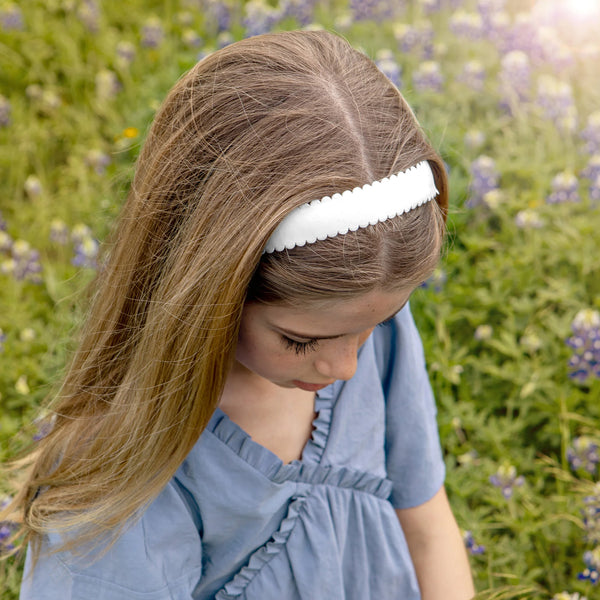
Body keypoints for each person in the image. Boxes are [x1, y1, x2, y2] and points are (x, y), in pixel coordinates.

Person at [4, 30, 474, 599]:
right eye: (300, 341)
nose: (348, 365)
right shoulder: (127, 466)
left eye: (373, 324)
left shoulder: (362, 326)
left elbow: (427, 528)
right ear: (211, 294)